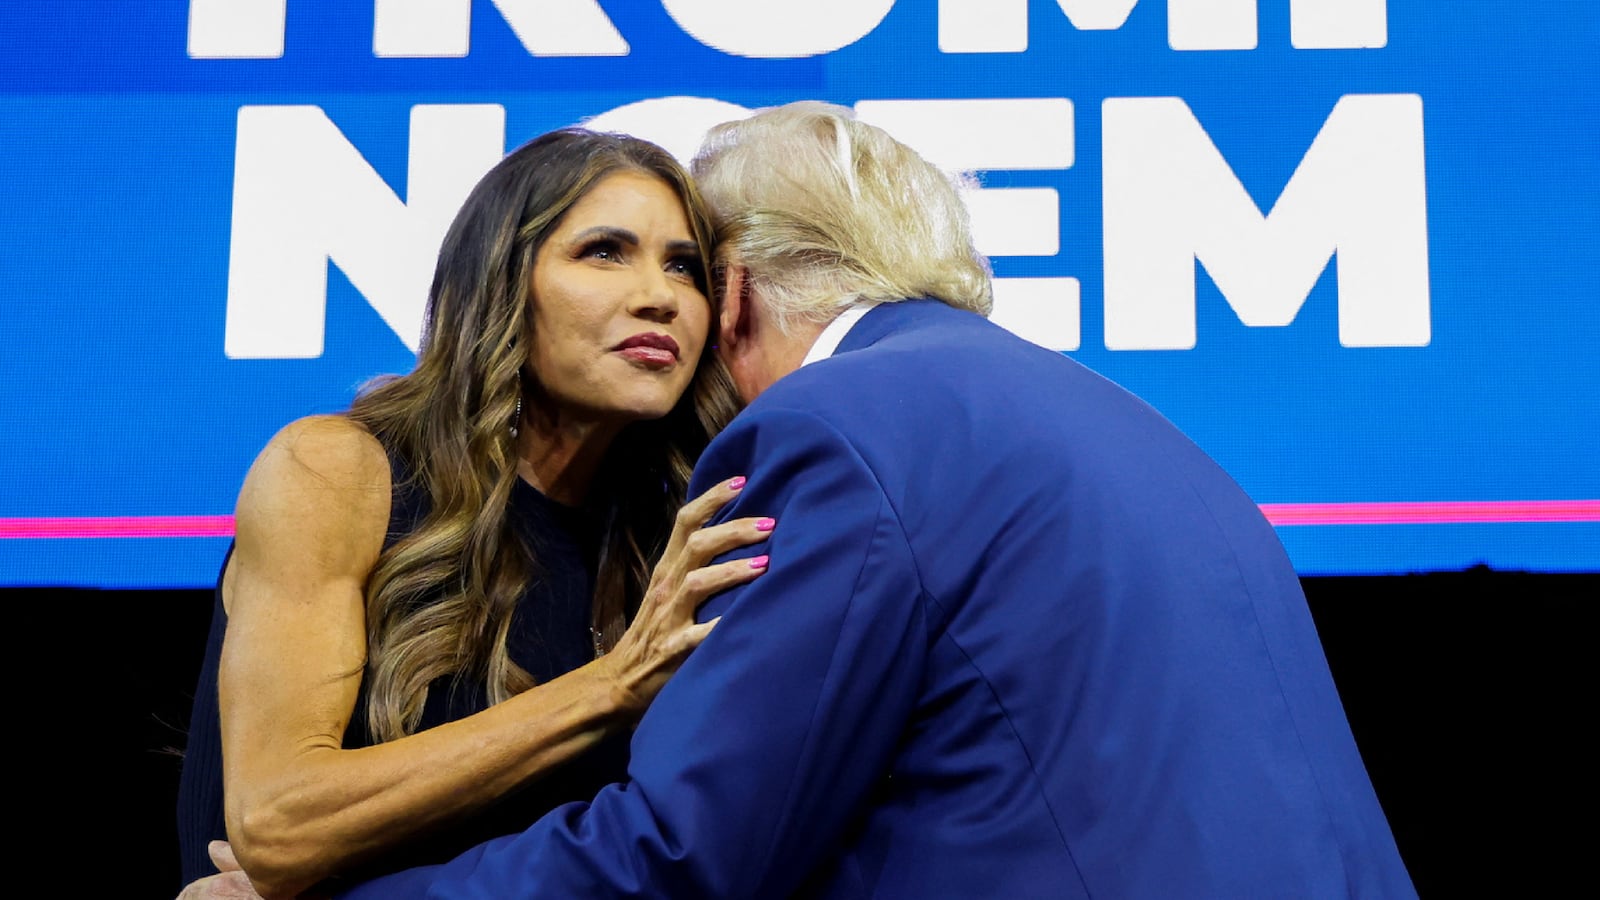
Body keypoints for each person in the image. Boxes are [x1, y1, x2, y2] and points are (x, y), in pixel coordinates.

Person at [352, 100, 1417, 898]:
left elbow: (690, 849)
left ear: (734, 292)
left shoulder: (827, 427)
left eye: (687, 270)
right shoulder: (1114, 417)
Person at [174, 127, 776, 898]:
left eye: (684, 267)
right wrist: (611, 686)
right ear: (502, 283)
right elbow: (278, 823)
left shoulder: (671, 535)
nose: (659, 296)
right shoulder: (338, 474)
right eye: (603, 252)